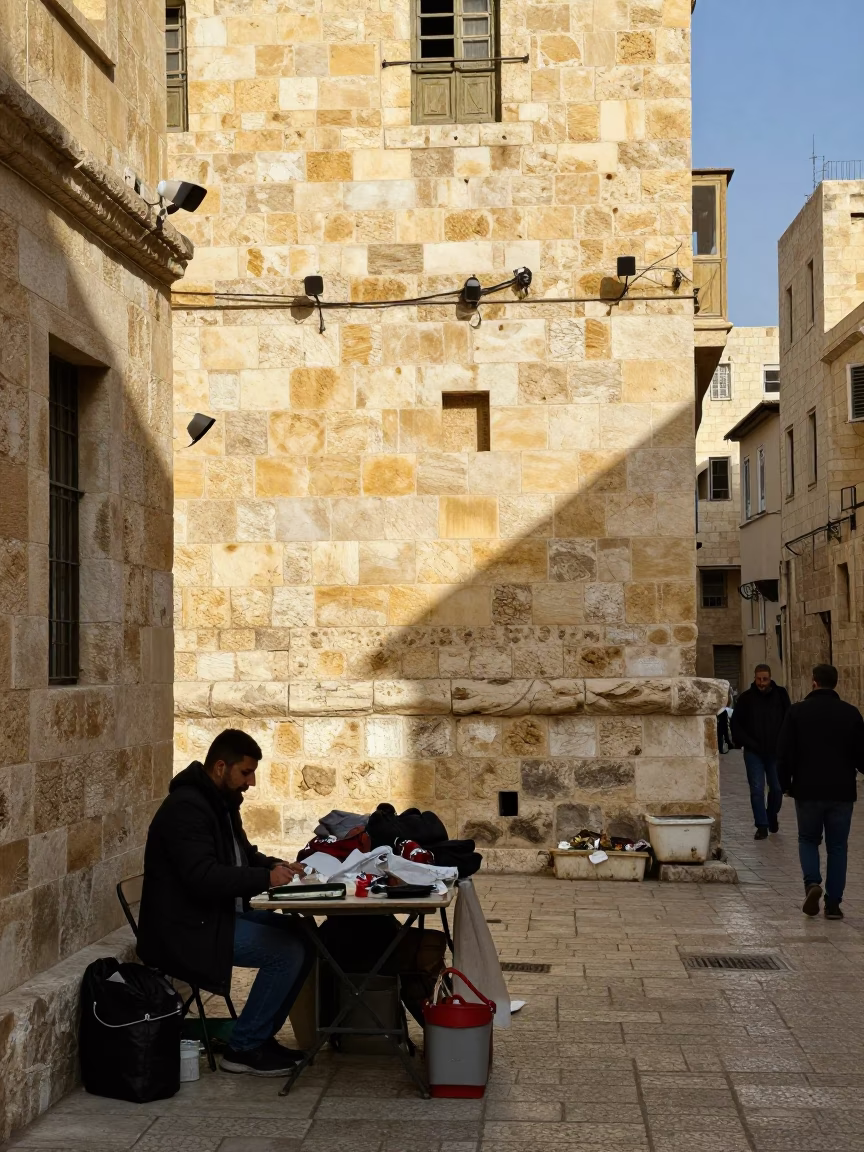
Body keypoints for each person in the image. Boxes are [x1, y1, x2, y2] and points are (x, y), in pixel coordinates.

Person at [137, 729, 314, 1076]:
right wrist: (265, 879)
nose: (251, 782)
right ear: (221, 767)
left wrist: (276, 866)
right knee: (286, 951)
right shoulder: (186, 808)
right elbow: (202, 877)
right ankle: (244, 1048)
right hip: (188, 929)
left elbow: (243, 855)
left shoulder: (222, 803)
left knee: (306, 935)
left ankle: (259, 1037)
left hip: (215, 917)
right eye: (245, 773)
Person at [777, 664, 864, 920]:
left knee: (808, 839)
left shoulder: (797, 712)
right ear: (836, 683)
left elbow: (783, 753)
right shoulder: (851, 714)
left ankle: (812, 883)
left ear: (813, 681)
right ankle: (833, 904)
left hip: (807, 789)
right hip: (842, 791)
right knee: (837, 847)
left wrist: (785, 784)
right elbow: (862, 756)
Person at [731, 664, 791, 839]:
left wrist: (784, 743)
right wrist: (748, 742)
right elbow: (737, 725)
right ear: (755, 678)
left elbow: (788, 719)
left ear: (770, 678)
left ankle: (771, 816)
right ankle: (762, 825)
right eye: (759, 679)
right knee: (757, 789)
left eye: (765, 679)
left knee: (777, 789)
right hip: (754, 752)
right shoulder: (746, 698)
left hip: (775, 752)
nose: (762, 683)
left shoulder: (780, 695)